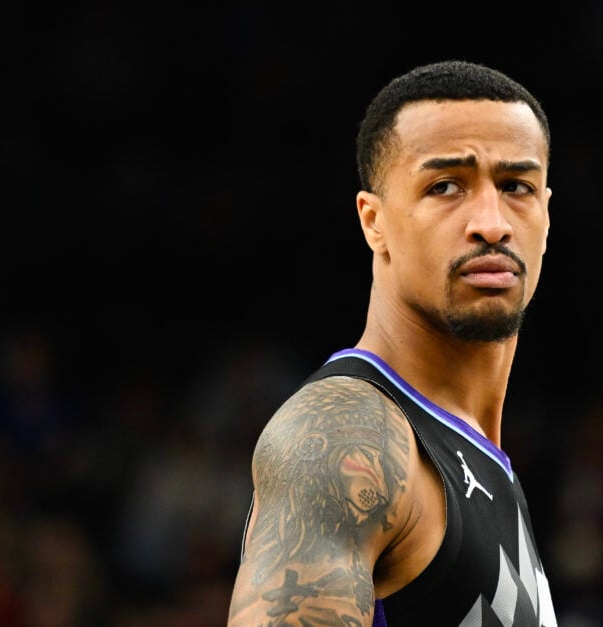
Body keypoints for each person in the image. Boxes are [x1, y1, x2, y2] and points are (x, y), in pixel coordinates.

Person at [227, 59, 558, 626]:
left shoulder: (478, 455)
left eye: (515, 187)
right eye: (445, 186)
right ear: (372, 221)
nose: (491, 223)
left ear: (546, 216)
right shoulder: (347, 435)